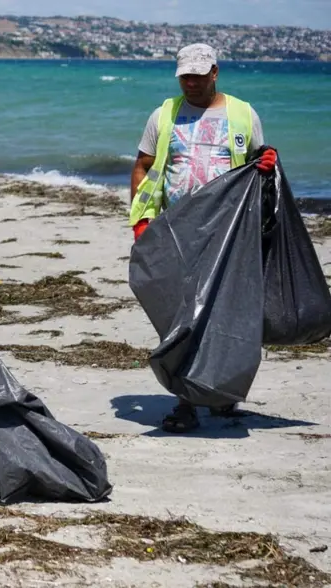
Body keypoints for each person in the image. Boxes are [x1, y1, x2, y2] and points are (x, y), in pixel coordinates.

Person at [129, 43, 278, 433]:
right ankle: (186, 403)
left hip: (230, 236)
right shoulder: (164, 115)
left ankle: (222, 391)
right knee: (183, 320)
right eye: (185, 76)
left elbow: (258, 168)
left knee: (228, 316)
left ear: (215, 72)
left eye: (198, 75)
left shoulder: (244, 114)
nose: (191, 83)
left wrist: (267, 163)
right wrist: (142, 223)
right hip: (177, 234)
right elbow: (144, 167)